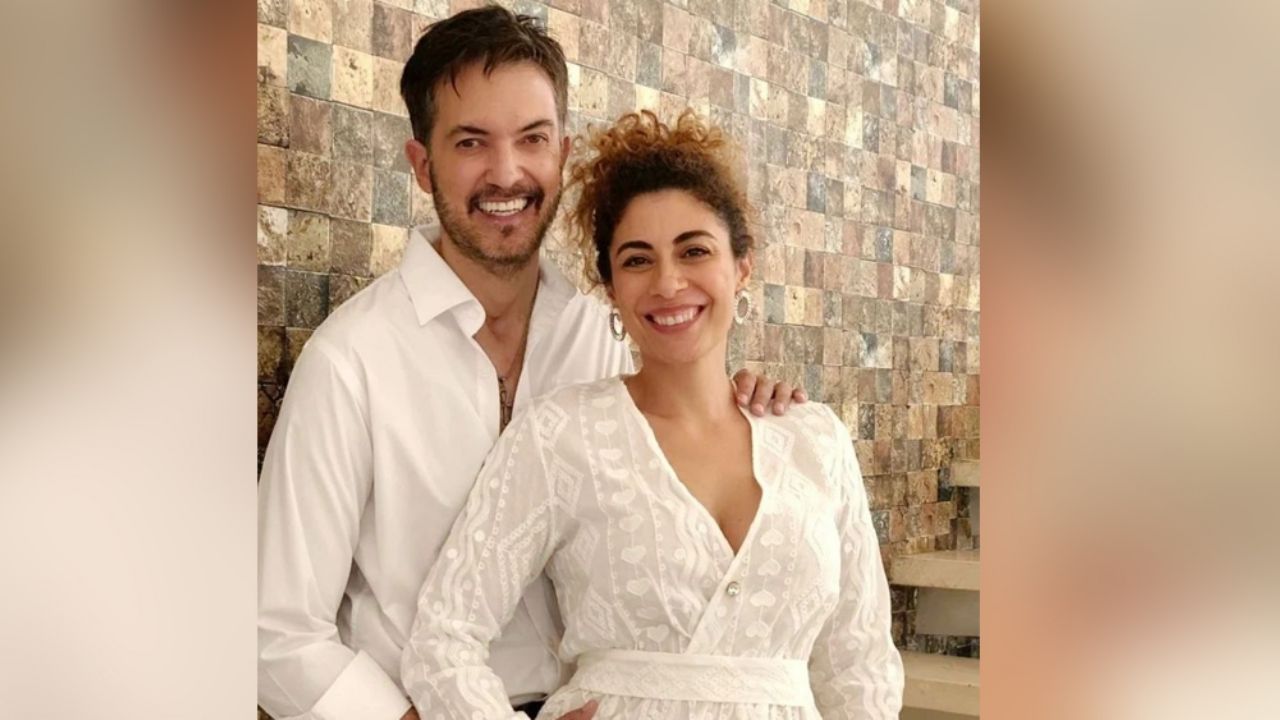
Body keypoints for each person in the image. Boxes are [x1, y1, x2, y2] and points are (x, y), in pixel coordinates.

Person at [256, 8, 801, 720]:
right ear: (421, 164)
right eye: (471, 142)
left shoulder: (609, 338)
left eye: (532, 139)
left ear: (563, 154)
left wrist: (750, 411)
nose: (507, 172)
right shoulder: (351, 361)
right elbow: (275, 633)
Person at [401, 110, 903, 719]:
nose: (668, 283)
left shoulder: (815, 440)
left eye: (694, 251)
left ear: (741, 267)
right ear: (611, 287)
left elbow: (861, 666)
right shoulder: (562, 436)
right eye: (638, 260)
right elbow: (443, 638)